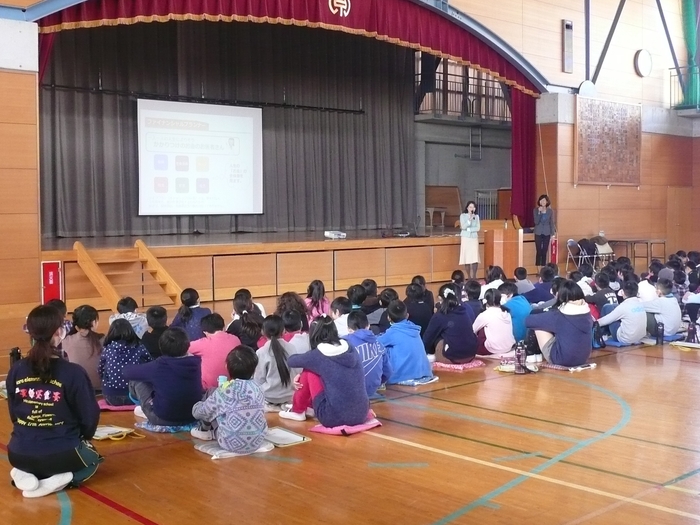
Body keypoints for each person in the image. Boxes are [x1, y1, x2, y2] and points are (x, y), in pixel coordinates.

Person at [7, 305, 102, 498]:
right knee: (92, 461)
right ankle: (60, 479)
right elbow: (89, 415)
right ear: (59, 332)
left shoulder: (16, 370)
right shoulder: (73, 372)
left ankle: (24, 473)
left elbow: (14, 413)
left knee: (36, 457)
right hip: (63, 451)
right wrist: (83, 437)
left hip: (18, 452)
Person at [279, 316, 370, 425]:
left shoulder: (317, 355)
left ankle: (297, 410)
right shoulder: (349, 346)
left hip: (333, 417)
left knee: (309, 370)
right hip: (361, 413)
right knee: (316, 369)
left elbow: (291, 361)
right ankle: (304, 407)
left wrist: (302, 370)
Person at [191, 346, 269, 454]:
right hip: (257, 441)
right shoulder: (259, 388)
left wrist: (197, 406)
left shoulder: (225, 391)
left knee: (212, 408)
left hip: (229, 443)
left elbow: (201, 413)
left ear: (226, 366)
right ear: (255, 369)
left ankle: (205, 431)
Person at [123, 327, 202, 426]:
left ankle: (143, 408)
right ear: (187, 345)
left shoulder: (159, 365)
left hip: (163, 419)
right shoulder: (196, 362)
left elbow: (127, 372)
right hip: (192, 416)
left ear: (161, 347)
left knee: (136, 380)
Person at [524, 280, 593, 367]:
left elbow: (528, 321)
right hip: (583, 358)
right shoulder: (587, 313)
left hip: (561, 359)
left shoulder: (559, 315)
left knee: (538, 325)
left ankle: (532, 355)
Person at [254, 315, 305, 411]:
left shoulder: (261, 352)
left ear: (263, 332)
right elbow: (298, 373)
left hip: (268, 399)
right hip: (289, 398)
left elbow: (258, 380)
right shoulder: (292, 348)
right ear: (283, 331)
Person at [99, 319, 152, 406]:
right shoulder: (139, 347)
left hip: (111, 397)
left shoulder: (107, 349)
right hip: (135, 397)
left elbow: (100, 370)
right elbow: (150, 365)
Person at [378, 301, 434, 382]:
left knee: (383, 349)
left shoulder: (392, 332)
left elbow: (375, 342)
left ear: (388, 318)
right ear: (407, 315)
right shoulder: (414, 329)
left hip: (402, 376)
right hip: (423, 372)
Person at [422, 284, 478, 364]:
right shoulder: (466, 309)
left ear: (440, 298)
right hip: (471, 354)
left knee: (438, 336)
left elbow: (428, 338)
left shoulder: (440, 315)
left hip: (452, 357)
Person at [344, 311, 392, 398]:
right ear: (368, 326)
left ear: (349, 329)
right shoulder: (378, 343)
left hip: (351, 393)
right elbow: (388, 371)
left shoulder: (344, 343)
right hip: (372, 390)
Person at [188, 313, 242, 390]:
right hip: (233, 385)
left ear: (205, 332)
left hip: (209, 389)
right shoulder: (236, 339)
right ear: (223, 327)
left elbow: (184, 348)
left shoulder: (203, 343)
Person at [62, 305, 103, 390]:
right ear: (94, 322)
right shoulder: (103, 340)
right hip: (101, 387)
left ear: (76, 327)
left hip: (78, 388)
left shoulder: (67, 340)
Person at [472, 289, 515, 357]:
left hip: (492, 349)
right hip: (508, 347)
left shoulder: (485, 314)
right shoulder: (506, 313)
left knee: (481, 330)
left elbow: (472, 330)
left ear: (485, 300)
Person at [459, 200, 480, 279]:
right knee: (466, 257)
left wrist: (469, 230)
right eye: (470, 207)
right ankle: (469, 277)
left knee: (475, 257)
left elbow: (478, 228)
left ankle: (474, 276)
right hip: (465, 238)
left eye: (473, 207)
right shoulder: (463, 216)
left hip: (474, 237)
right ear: (467, 208)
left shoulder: (476, 216)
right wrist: (469, 220)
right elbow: (463, 226)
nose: (472, 208)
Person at [534, 194, 555, 267]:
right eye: (541, 200)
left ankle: (543, 268)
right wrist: (539, 213)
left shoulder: (550, 211)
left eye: (544, 200)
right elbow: (536, 222)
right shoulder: (535, 210)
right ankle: (538, 268)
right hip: (538, 232)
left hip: (547, 232)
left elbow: (552, 223)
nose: (542, 202)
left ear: (547, 202)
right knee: (539, 251)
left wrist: (553, 234)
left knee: (544, 251)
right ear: (539, 201)